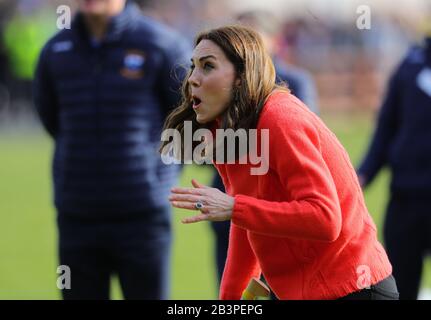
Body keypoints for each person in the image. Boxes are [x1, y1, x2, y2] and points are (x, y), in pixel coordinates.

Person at [161, 25, 398, 300]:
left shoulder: (280, 118)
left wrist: (235, 207)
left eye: (207, 66)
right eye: (193, 67)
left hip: (355, 289)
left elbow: (325, 219)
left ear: (240, 77)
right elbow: (246, 225)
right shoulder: (226, 131)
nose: (193, 78)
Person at [33, 0, 189, 299]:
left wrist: (157, 179)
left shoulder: (160, 44)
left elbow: (187, 118)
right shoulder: (55, 50)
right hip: (77, 214)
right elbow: (51, 118)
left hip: (142, 215)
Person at [208, 10, 320, 285]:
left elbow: (299, 145)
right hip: (229, 201)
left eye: (252, 37)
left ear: (274, 41)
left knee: (278, 287)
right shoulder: (221, 84)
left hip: (278, 209)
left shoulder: (294, 83)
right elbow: (206, 146)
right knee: (232, 287)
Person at [357, 31, 431, 300]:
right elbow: (386, 130)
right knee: (400, 286)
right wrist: (361, 176)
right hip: (405, 198)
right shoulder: (409, 67)